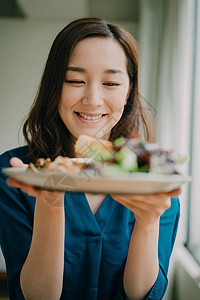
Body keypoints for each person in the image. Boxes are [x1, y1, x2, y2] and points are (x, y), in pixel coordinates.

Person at [0, 17, 180, 300]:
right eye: (75, 80)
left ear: (128, 91)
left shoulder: (154, 180)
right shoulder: (15, 174)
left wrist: (148, 221)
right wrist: (50, 202)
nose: (93, 99)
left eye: (110, 82)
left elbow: (144, 297)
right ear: (54, 87)